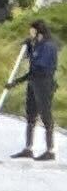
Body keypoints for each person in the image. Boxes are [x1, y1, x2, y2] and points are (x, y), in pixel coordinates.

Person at [22, 21, 60, 161]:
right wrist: (29, 48)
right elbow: (31, 63)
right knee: (30, 113)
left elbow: (41, 65)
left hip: (44, 83)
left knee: (45, 115)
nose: (30, 33)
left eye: (32, 31)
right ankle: (28, 148)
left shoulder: (48, 46)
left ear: (38, 31)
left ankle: (50, 150)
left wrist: (32, 52)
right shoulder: (36, 45)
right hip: (33, 82)